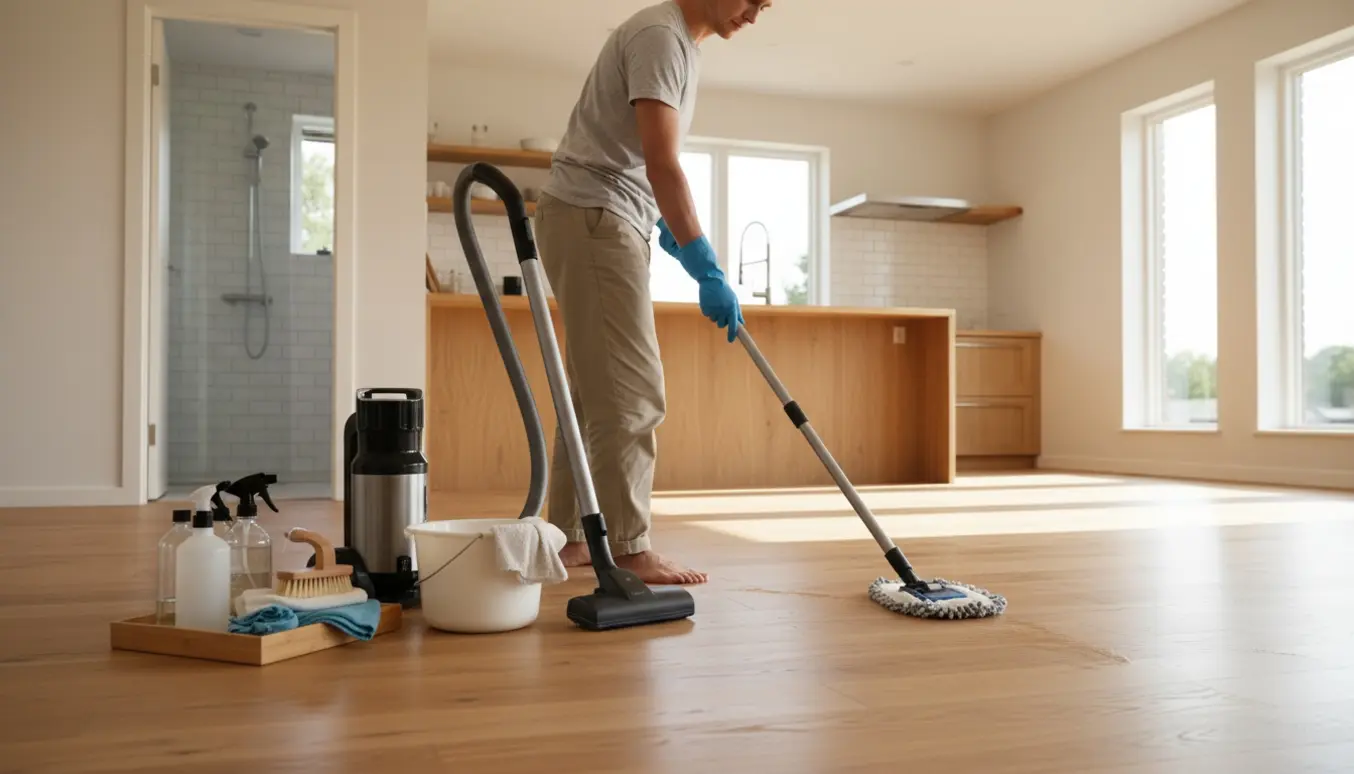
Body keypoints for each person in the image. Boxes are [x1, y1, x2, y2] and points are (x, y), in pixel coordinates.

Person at [534, 0, 772, 585]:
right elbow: (664, 163)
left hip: (601, 214)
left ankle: (569, 540)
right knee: (633, 393)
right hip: (597, 216)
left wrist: (657, 221)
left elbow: (637, 158)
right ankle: (629, 545)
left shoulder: (676, 44)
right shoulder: (661, 37)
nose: (755, 14)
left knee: (593, 396)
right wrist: (703, 262)